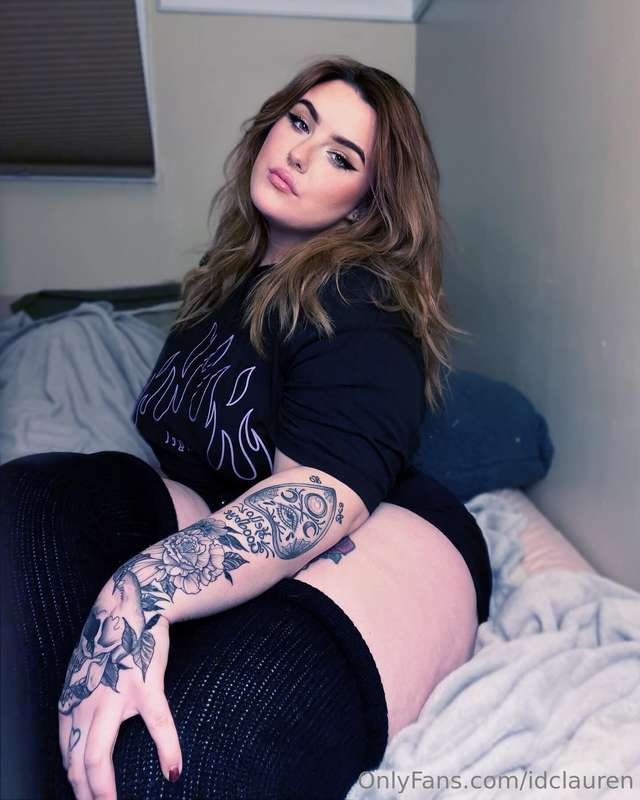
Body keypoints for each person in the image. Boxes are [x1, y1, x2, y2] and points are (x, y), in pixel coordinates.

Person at [0, 56, 492, 800]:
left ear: (365, 206)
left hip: (370, 523)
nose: (301, 153)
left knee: (154, 775)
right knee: (26, 520)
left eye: (341, 156)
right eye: (300, 122)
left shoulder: (358, 296)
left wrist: (143, 588)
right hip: (227, 513)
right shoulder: (223, 280)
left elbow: (318, 493)